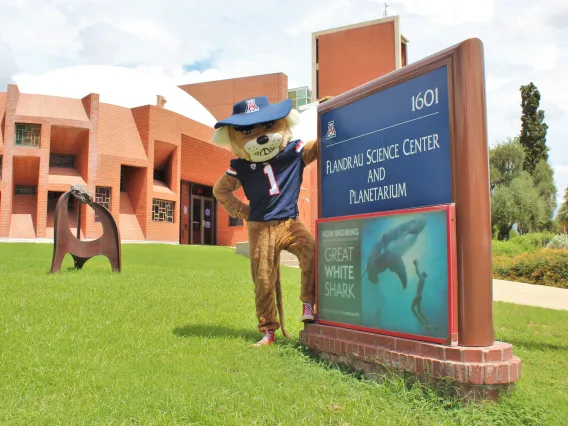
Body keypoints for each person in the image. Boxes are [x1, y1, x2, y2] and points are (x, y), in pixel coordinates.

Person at [411, 259, 430, 328]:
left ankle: (422, 322)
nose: (421, 274)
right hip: (419, 297)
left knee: (412, 308)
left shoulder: (422, 279)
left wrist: (416, 265)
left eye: (422, 273)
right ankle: (427, 323)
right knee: (419, 311)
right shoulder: (423, 280)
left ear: (423, 275)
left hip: (418, 296)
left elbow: (417, 272)